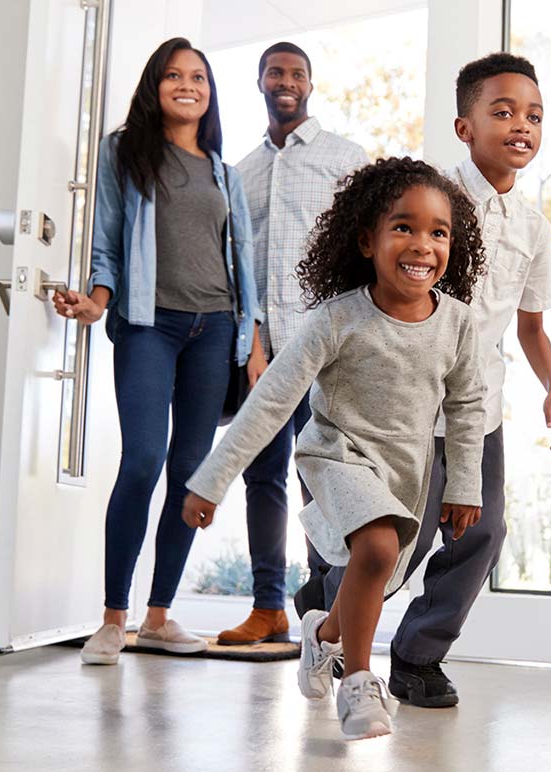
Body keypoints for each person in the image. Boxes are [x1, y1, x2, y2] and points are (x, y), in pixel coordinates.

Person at [302, 51, 551, 709]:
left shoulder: (533, 226)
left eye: (533, 115)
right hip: (405, 404)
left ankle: (418, 658)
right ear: (464, 126)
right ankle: (328, 611)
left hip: (482, 410)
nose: (521, 125)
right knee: (397, 539)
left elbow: (531, 324)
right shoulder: (432, 200)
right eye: (502, 111)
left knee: (483, 532)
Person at [181, 158, 487, 740]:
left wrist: (465, 483)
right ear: (367, 240)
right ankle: (360, 685)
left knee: (373, 569)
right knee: (374, 548)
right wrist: (212, 479)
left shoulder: (458, 325)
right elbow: (272, 400)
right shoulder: (336, 319)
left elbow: (468, 405)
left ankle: (322, 639)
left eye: (438, 232)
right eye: (403, 227)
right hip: (336, 456)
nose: (422, 244)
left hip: (405, 471)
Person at [51, 38, 266, 666]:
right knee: (142, 460)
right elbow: (107, 241)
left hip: (217, 330)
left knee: (192, 477)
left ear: (209, 91)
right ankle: (113, 618)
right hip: (150, 323)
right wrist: (96, 301)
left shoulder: (223, 171)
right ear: (156, 85)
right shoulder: (124, 152)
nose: (187, 85)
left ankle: (159, 616)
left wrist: (250, 342)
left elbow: (243, 262)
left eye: (198, 76)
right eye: (174, 75)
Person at [214, 42, 370, 647]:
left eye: (297, 73)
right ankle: (268, 609)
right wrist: (251, 341)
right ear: (259, 82)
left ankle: (328, 606)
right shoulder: (240, 172)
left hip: (327, 347)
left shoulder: (344, 157)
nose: (287, 81)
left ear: (310, 84)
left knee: (327, 476)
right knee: (264, 475)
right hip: (265, 351)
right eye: (276, 72)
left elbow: (364, 250)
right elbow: (238, 266)